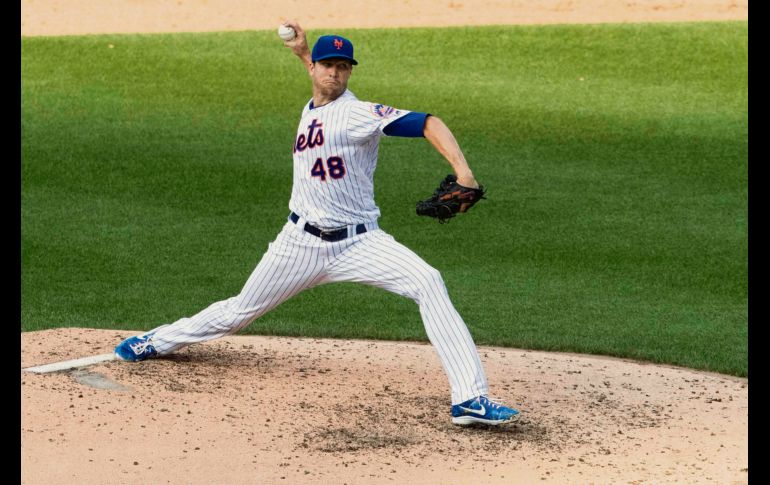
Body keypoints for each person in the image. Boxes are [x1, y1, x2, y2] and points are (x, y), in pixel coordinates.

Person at [114, 20, 519, 426]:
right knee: (239, 311)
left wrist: (464, 173)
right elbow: (319, 82)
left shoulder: (358, 114)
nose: (335, 72)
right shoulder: (312, 106)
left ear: (351, 71)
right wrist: (302, 51)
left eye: (344, 66)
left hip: (361, 244)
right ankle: (157, 340)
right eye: (328, 64)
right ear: (314, 68)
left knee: (428, 281)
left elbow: (429, 122)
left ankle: (469, 398)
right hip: (299, 245)